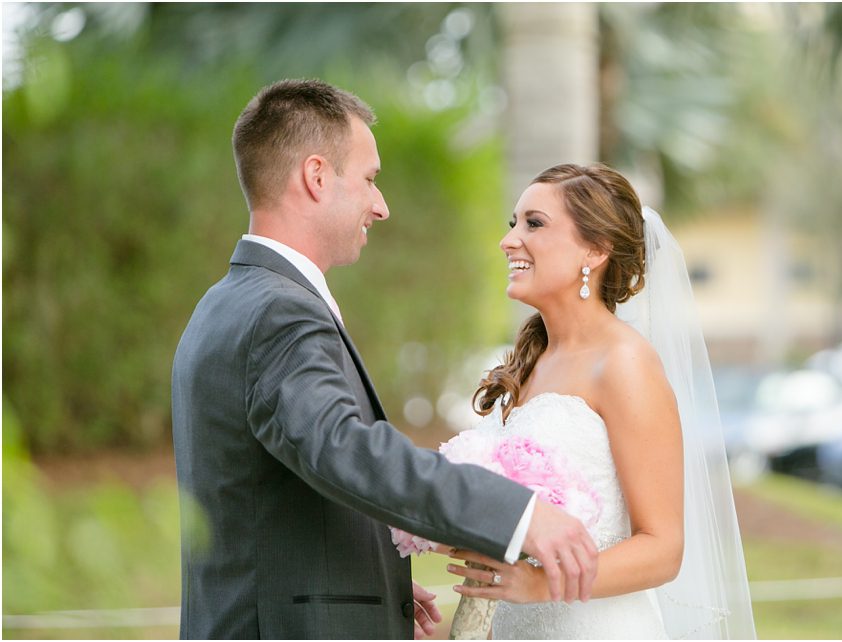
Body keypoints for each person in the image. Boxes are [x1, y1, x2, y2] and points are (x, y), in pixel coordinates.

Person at [171, 80, 598, 640]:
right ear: (317, 177)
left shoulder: (227, 301)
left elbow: (278, 484)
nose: (382, 205)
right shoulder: (280, 313)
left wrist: (376, 590)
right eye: (370, 179)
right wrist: (518, 514)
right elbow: (342, 447)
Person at [443, 163, 756, 639]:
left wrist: (539, 583)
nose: (509, 241)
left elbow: (663, 548)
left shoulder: (625, 362)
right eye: (514, 224)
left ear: (595, 249)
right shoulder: (532, 361)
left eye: (534, 224)